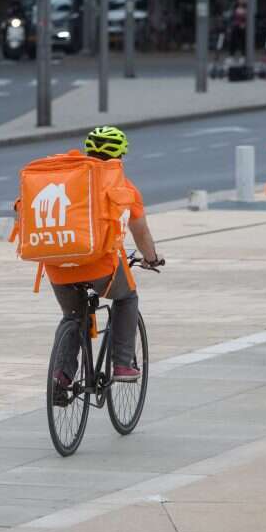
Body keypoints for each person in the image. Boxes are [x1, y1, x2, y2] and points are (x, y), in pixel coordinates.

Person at [49, 126, 161, 389]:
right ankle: (122, 363)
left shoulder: (66, 175)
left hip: (57, 265)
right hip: (100, 265)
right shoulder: (122, 185)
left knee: (73, 316)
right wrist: (151, 257)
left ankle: (60, 377)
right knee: (127, 297)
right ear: (121, 155)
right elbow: (140, 231)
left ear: (88, 150)